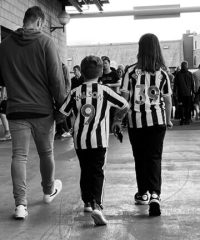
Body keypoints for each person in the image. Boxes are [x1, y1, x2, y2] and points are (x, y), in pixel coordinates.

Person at [0, 6, 66, 220]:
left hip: (16, 111)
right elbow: (56, 80)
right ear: (40, 22)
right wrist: (62, 106)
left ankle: (20, 205)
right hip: (42, 111)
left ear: (25, 21)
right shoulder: (45, 42)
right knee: (46, 153)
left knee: (19, 156)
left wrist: (13, 79)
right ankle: (48, 191)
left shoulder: (5, 45)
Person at [60, 55, 128, 226]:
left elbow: (62, 114)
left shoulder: (75, 93)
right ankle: (97, 204)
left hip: (80, 140)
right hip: (99, 140)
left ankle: (87, 202)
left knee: (85, 169)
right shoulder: (105, 90)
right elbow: (124, 105)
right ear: (100, 73)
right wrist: (117, 121)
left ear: (81, 72)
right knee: (97, 171)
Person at [120, 33, 173, 217]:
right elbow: (167, 100)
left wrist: (119, 120)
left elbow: (124, 99)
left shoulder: (130, 71)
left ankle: (143, 193)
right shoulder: (163, 73)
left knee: (140, 157)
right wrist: (167, 120)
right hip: (157, 121)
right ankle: (155, 195)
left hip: (136, 122)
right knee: (155, 158)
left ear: (140, 48)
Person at [55, 63, 72, 139]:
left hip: (62, 94)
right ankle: (60, 130)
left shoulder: (63, 67)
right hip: (56, 93)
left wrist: (65, 93)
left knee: (61, 112)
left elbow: (68, 81)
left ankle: (66, 130)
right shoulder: (55, 67)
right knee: (57, 112)